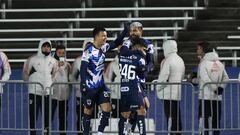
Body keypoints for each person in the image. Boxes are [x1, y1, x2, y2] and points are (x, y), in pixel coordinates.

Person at [80, 26, 128, 135]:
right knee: (88, 111)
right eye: (103, 36)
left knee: (107, 109)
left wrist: (125, 31)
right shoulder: (89, 51)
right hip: (90, 87)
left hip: (100, 86)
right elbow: (83, 69)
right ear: (96, 36)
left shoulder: (103, 47)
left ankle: (100, 133)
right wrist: (83, 86)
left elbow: (116, 43)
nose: (105, 38)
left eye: (106, 36)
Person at [121, 21, 152, 134]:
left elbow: (151, 62)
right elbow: (123, 53)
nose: (132, 32)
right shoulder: (128, 42)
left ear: (141, 30)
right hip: (134, 80)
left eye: (135, 30)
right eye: (131, 30)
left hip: (142, 78)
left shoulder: (148, 43)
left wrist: (146, 69)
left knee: (140, 108)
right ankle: (131, 129)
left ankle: (129, 127)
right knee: (143, 106)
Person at [23, 39, 58, 135]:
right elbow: (25, 75)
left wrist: (49, 86)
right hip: (34, 92)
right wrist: (31, 86)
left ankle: (46, 133)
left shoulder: (54, 61)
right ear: (40, 46)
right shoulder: (32, 59)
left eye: (48, 46)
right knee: (33, 115)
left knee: (47, 116)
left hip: (47, 93)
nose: (46, 48)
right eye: (44, 46)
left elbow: (55, 76)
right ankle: (32, 133)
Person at [197, 41, 229, 135]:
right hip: (217, 98)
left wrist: (215, 89)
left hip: (205, 97)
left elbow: (206, 79)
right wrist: (220, 88)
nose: (197, 50)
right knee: (216, 121)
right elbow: (226, 78)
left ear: (203, 50)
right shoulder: (219, 63)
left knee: (204, 121)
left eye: (198, 48)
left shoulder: (203, 64)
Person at [118, 38, 148, 135]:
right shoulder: (140, 58)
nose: (143, 51)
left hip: (124, 87)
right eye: (143, 49)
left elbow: (123, 49)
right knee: (141, 111)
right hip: (134, 87)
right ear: (137, 47)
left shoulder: (121, 56)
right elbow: (141, 77)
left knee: (124, 115)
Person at [156, 40, 185, 135]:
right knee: (176, 117)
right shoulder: (180, 59)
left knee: (170, 117)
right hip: (177, 93)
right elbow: (182, 76)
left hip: (167, 94)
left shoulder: (168, 60)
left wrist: (158, 88)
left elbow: (163, 77)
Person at [69, 39, 92, 135]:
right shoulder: (78, 61)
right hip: (81, 95)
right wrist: (78, 87)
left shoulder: (99, 58)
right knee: (81, 116)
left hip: (93, 94)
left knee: (93, 117)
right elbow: (71, 77)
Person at [52, 44, 71, 135]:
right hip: (53, 95)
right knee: (49, 117)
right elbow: (48, 77)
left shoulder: (68, 65)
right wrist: (57, 67)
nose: (61, 55)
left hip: (64, 96)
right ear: (56, 53)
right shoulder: (51, 63)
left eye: (63, 53)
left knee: (63, 118)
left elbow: (70, 78)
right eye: (59, 53)